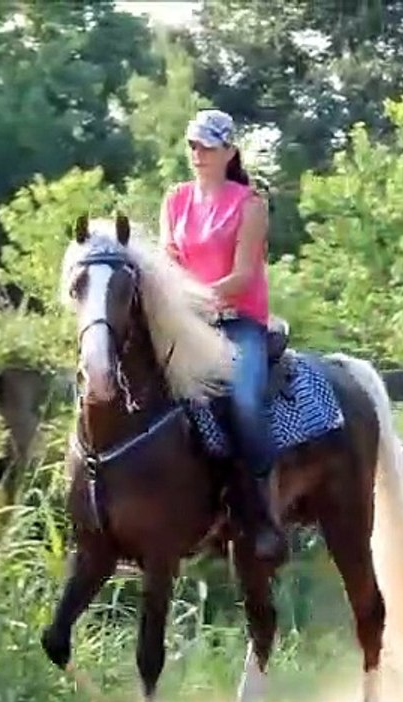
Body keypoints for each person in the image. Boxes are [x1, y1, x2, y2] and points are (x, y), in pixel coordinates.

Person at [159, 109, 286, 563]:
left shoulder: (249, 203)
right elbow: (166, 263)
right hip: (189, 325)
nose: (198, 154)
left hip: (237, 322)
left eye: (208, 146)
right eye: (193, 145)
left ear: (229, 152)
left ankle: (263, 511)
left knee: (245, 402)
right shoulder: (175, 200)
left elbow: (243, 274)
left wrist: (193, 297)